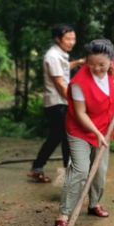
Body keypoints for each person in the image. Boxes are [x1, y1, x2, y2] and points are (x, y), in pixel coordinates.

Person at [54, 39, 114, 226]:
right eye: (91, 63)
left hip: (105, 128)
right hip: (81, 129)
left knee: (100, 170)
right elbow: (80, 114)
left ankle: (94, 204)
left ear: (110, 60)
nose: (96, 68)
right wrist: (97, 134)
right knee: (80, 170)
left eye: (101, 64)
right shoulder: (80, 82)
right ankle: (64, 214)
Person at [27, 24, 85, 183]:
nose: (71, 42)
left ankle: (37, 168)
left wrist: (79, 62)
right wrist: (74, 102)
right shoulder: (52, 56)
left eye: (73, 38)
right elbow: (60, 84)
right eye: (68, 39)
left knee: (56, 137)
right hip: (58, 103)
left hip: (60, 102)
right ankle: (68, 177)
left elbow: (64, 68)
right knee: (66, 138)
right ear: (57, 39)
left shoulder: (60, 54)